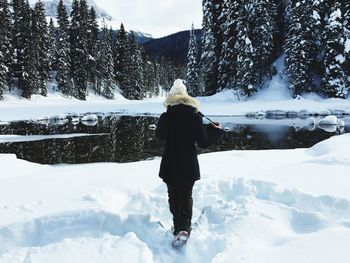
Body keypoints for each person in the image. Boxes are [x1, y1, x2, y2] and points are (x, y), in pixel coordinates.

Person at [155, 79, 223, 245]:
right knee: (186, 196)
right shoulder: (194, 117)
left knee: (173, 196)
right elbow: (203, 142)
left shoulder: (166, 116)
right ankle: (183, 228)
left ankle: (179, 226)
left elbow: (160, 136)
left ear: (171, 97)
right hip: (188, 163)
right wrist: (214, 131)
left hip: (170, 162)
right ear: (186, 96)